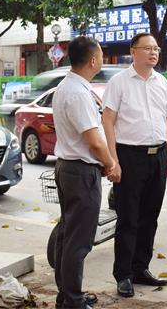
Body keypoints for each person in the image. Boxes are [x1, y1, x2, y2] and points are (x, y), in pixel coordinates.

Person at [102, 32, 167, 298]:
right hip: (129, 156)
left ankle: (140, 268)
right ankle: (123, 274)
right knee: (128, 219)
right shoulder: (119, 82)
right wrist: (113, 160)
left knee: (150, 217)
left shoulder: (161, 82)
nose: (153, 53)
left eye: (156, 48)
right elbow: (108, 120)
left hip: (158, 156)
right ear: (133, 51)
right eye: (148, 48)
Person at [52, 36, 118, 309]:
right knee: (78, 241)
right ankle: (73, 300)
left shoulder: (67, 86)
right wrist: (110, 163)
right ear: (92, 60)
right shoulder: (78, 93)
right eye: (101, 55)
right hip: (80, 172)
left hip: (69, 168)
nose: (102, 59)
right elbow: (94, 141)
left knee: (68, 235)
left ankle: (67, 294)